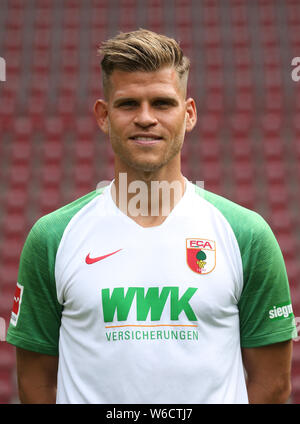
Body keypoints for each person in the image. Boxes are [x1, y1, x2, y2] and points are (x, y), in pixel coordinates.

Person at [6, 29, 297, 404]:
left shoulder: (246, 234)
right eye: (128, 104)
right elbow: (34, 385)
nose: (146, 118)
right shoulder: (52, 237)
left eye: (162, 103)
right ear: (103, 115)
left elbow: (272, 385)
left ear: (188, 114)